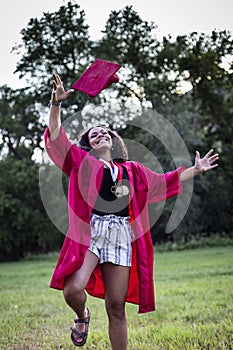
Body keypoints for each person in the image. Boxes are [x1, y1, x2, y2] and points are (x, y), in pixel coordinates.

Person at [44, 74, 219, 349]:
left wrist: (195, 170)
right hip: (92, 233)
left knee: (116, 306)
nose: (100, 134)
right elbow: (56, 137)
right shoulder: (81, 163)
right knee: (73, 289)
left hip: (121, 235)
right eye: (93, 134)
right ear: (88, 145)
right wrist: (56, 104)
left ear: (112, 141)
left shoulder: (132, 170)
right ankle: (82, 315)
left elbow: (163, 182)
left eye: (104, 132)